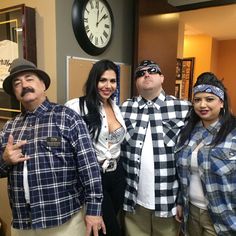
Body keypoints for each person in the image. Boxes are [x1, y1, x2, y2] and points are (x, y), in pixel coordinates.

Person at [0, 58, 105, 236]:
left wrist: (94, 210)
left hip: (64, 220)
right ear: (15, 92)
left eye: (29, 78)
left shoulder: (67, 118)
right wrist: (5, 160)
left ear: (43, 84)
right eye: (17, 83)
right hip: (23, 222)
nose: (23, 84)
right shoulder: (10, 127)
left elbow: (89, 167)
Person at [120, 60, 191, 236]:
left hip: (168, 201)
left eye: (152, 71)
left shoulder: (184, 108)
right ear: (136, 81)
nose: (146, 74)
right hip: (133, 201)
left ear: (162, 77)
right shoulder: (124, 109)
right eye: (140, 73)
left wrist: (183, 200)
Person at [65, 59, 126, 236]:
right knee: (110, 230)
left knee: (102, 230)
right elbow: (67, 145)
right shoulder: (76, 106)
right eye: (103, 80)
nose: (108, 86)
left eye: (113, 81)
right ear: (94, 81)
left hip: (117, 176)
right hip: (93, 177)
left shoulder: (116, 107)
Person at [175, 72, 236, 236]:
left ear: (221, 102)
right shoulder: (188, 132)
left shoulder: (233, 133)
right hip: (191, 213)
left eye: (209, 99)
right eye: (197, 100)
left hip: (222, 216)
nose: (202, 105)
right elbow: (183, 174)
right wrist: (180, 202)